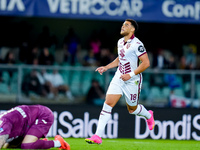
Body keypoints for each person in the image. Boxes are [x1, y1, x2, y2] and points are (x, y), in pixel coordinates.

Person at [85, 19, 155, 144]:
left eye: (126, 25)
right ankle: (97, 136)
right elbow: (120, 58)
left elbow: (146, 63)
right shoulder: (120, 42)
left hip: (132, 80)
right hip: (119, 76)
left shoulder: (137, 44)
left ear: (132, 29)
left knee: (132, 109)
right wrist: (106, 67)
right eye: (122, 24)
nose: (123, 26)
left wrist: (131, 74)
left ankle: (148, 115)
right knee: (108, 103)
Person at [0, 104, 70, 149]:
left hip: (43, 115)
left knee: (27, 145)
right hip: (25, 124)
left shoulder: (4, 123)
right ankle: (40, 142)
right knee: (11, 145)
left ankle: (58, 143)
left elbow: (1, 141)